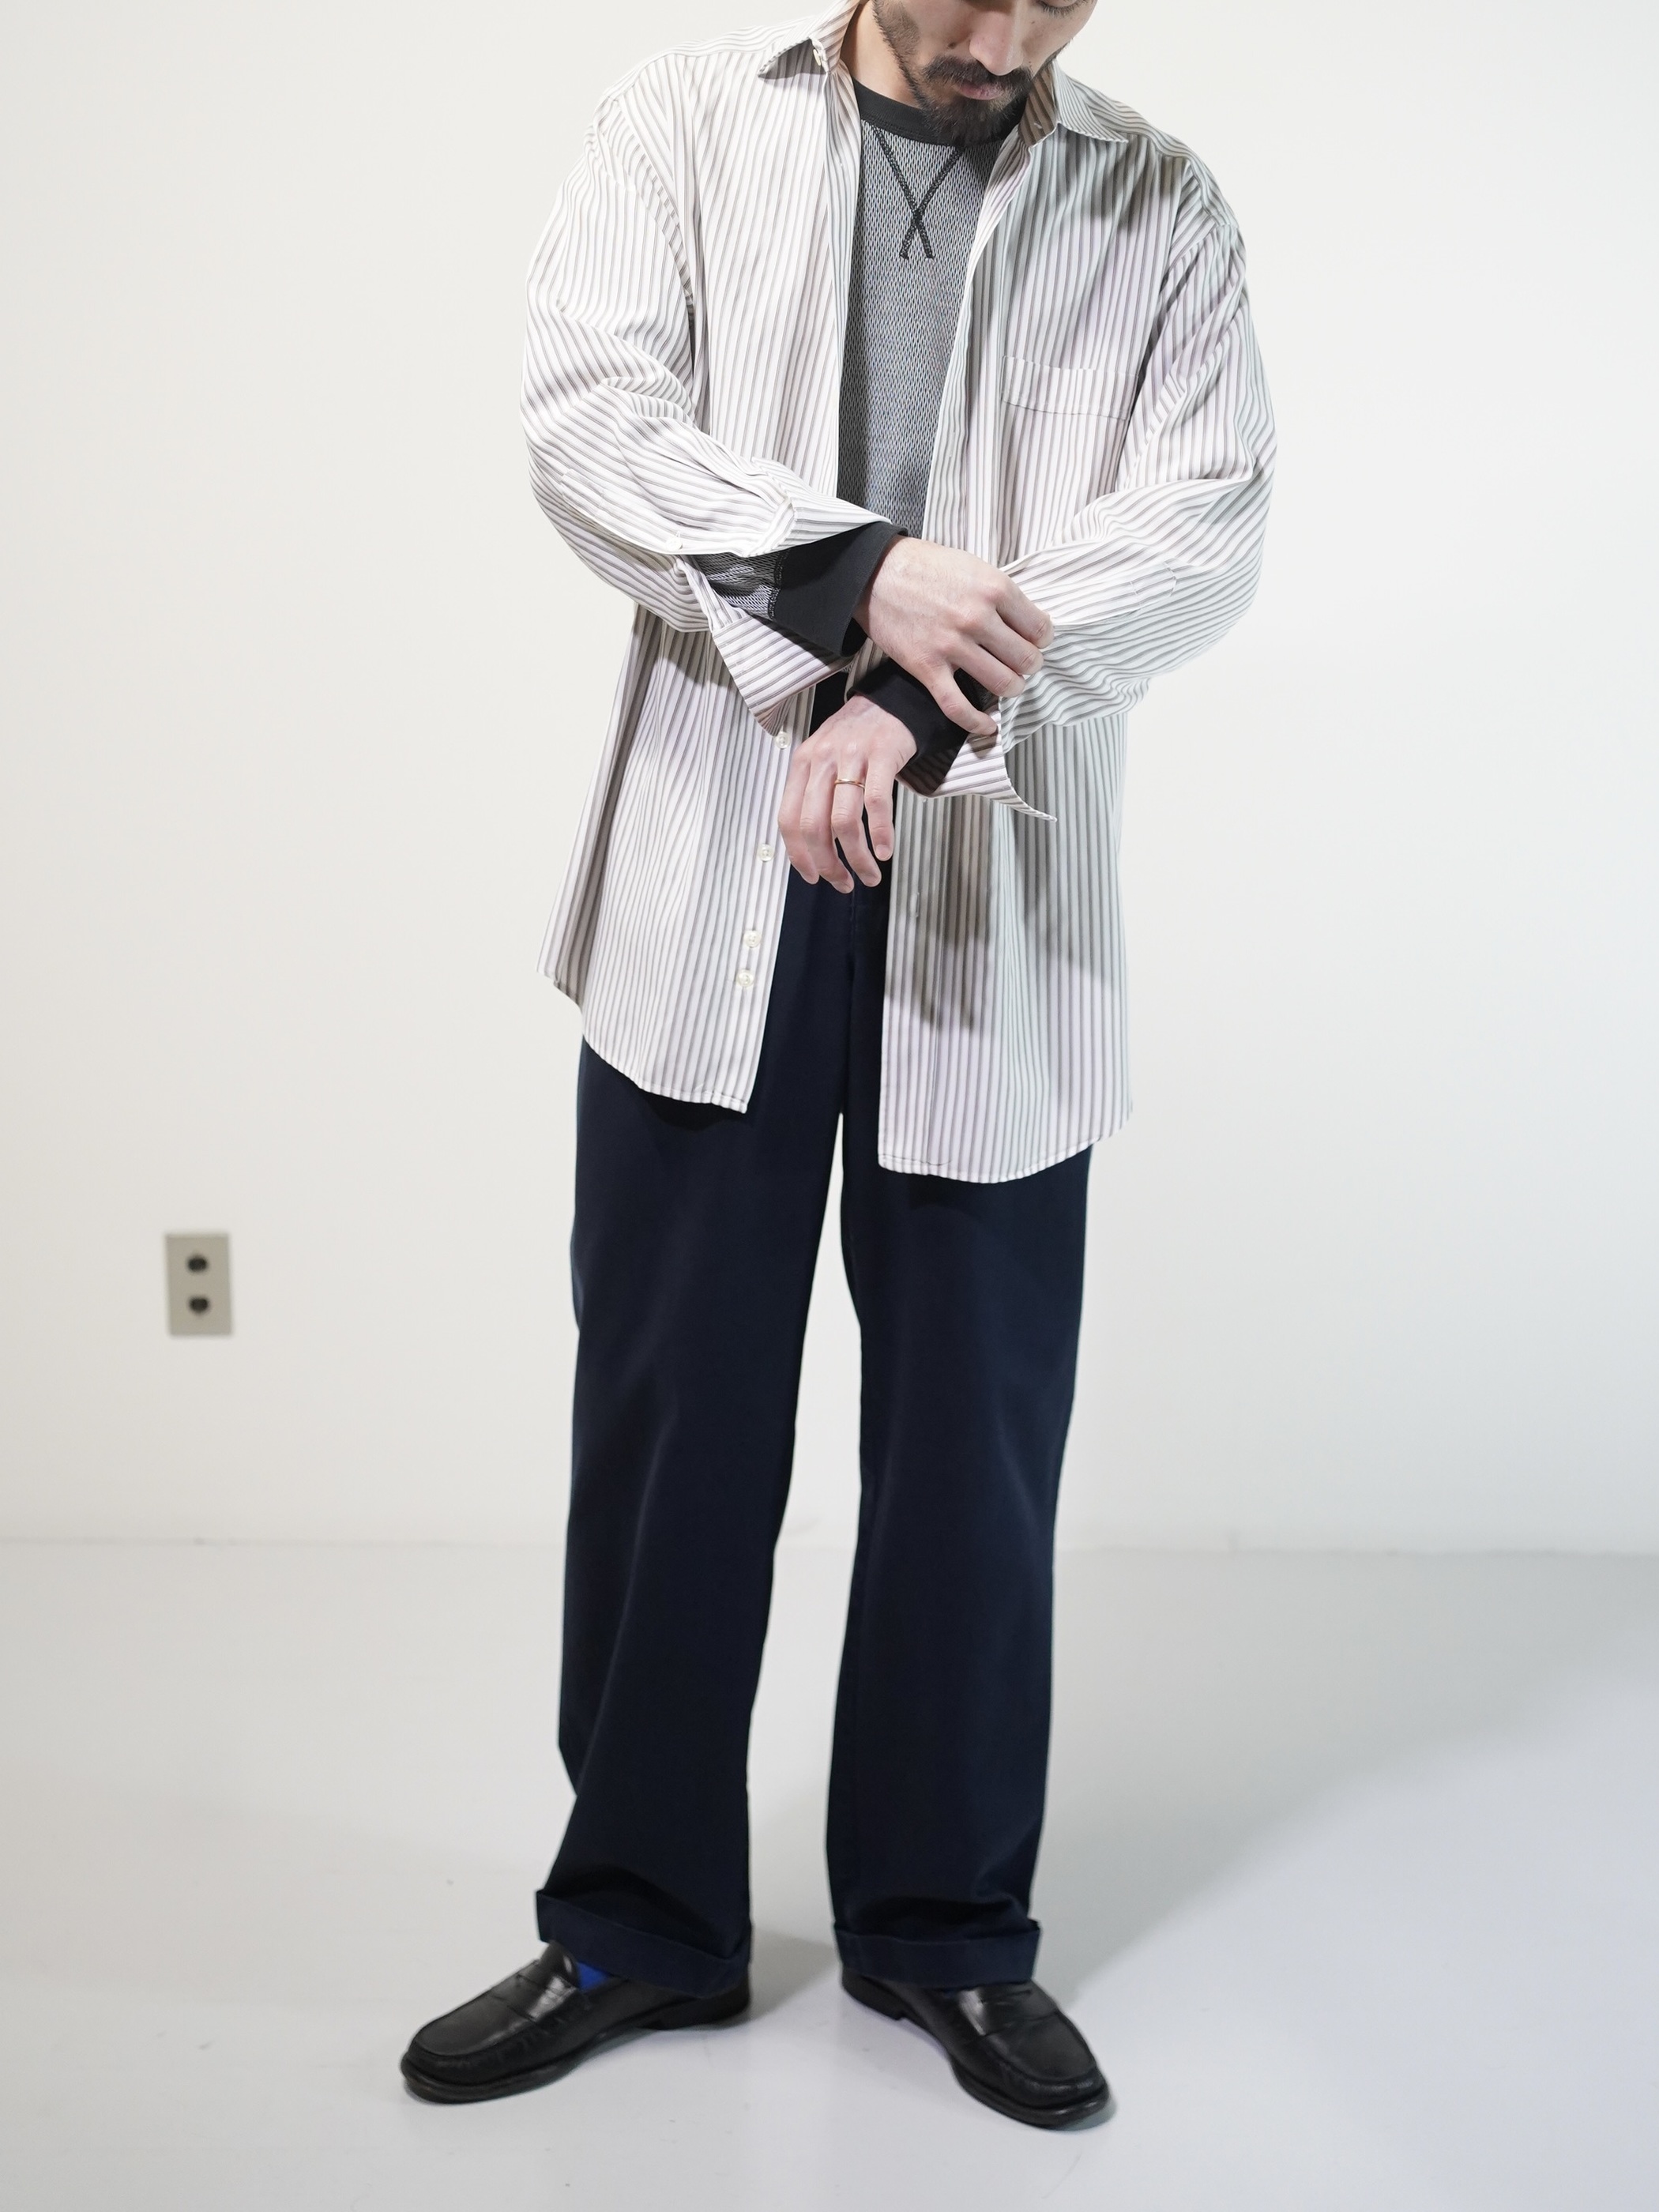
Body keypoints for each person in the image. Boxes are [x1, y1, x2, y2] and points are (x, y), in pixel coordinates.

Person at [401, 0, 1273, 2128]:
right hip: (712, 867)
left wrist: (916, 705)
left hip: (993, 877)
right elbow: (589, 423)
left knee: (976, 1438)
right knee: (672, 1414)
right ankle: (638, 1921)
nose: (1007, 30)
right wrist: (864, 578)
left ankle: (946, 1929)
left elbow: (1199, 529)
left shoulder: (1159, 205)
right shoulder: (683, 122)